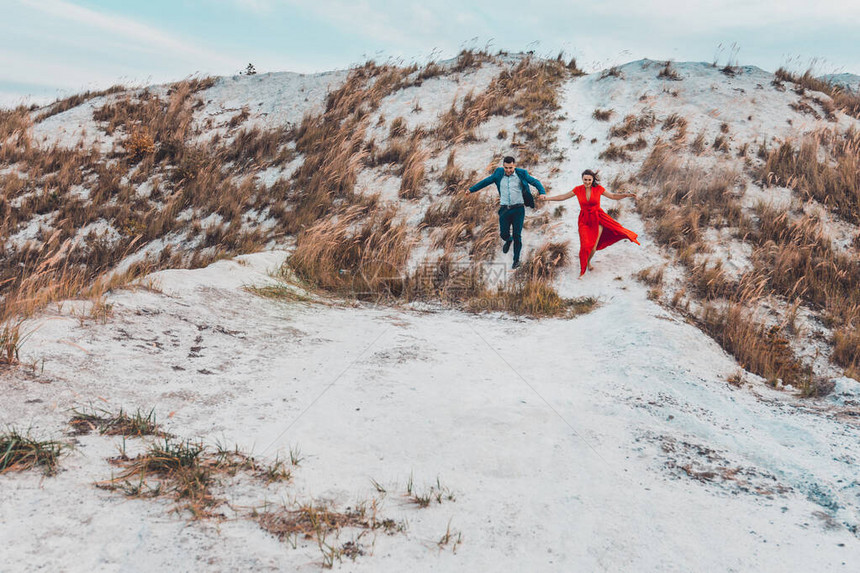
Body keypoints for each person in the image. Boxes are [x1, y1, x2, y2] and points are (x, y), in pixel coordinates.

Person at [538, 169, 639, 276]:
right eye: (585, 179)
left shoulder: (599, 189)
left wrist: (626, 195)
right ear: (582, 179)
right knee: (585, 245)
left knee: (594, 247)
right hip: (584, 220)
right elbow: (562, 197)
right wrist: (547, 198)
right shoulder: (578, 189)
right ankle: (584, 263)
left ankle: (588, 262)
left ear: (593, 179)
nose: (587, 182)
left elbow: (613, 196)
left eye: (589, 180)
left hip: (598, 217)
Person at [467, 156, 546, 269]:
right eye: (506, 168)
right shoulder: (498, 173)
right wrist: (471, 190)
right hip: (504, 209)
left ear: (514, 165)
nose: (508, 170)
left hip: (518, 209)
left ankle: (516, 260)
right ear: (503, 166)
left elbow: (535, 182)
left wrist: (542, 192)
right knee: (503, 233)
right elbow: (485, 182)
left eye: (510, 168)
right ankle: (508, 240)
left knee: (517, 235)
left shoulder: (521, 173)